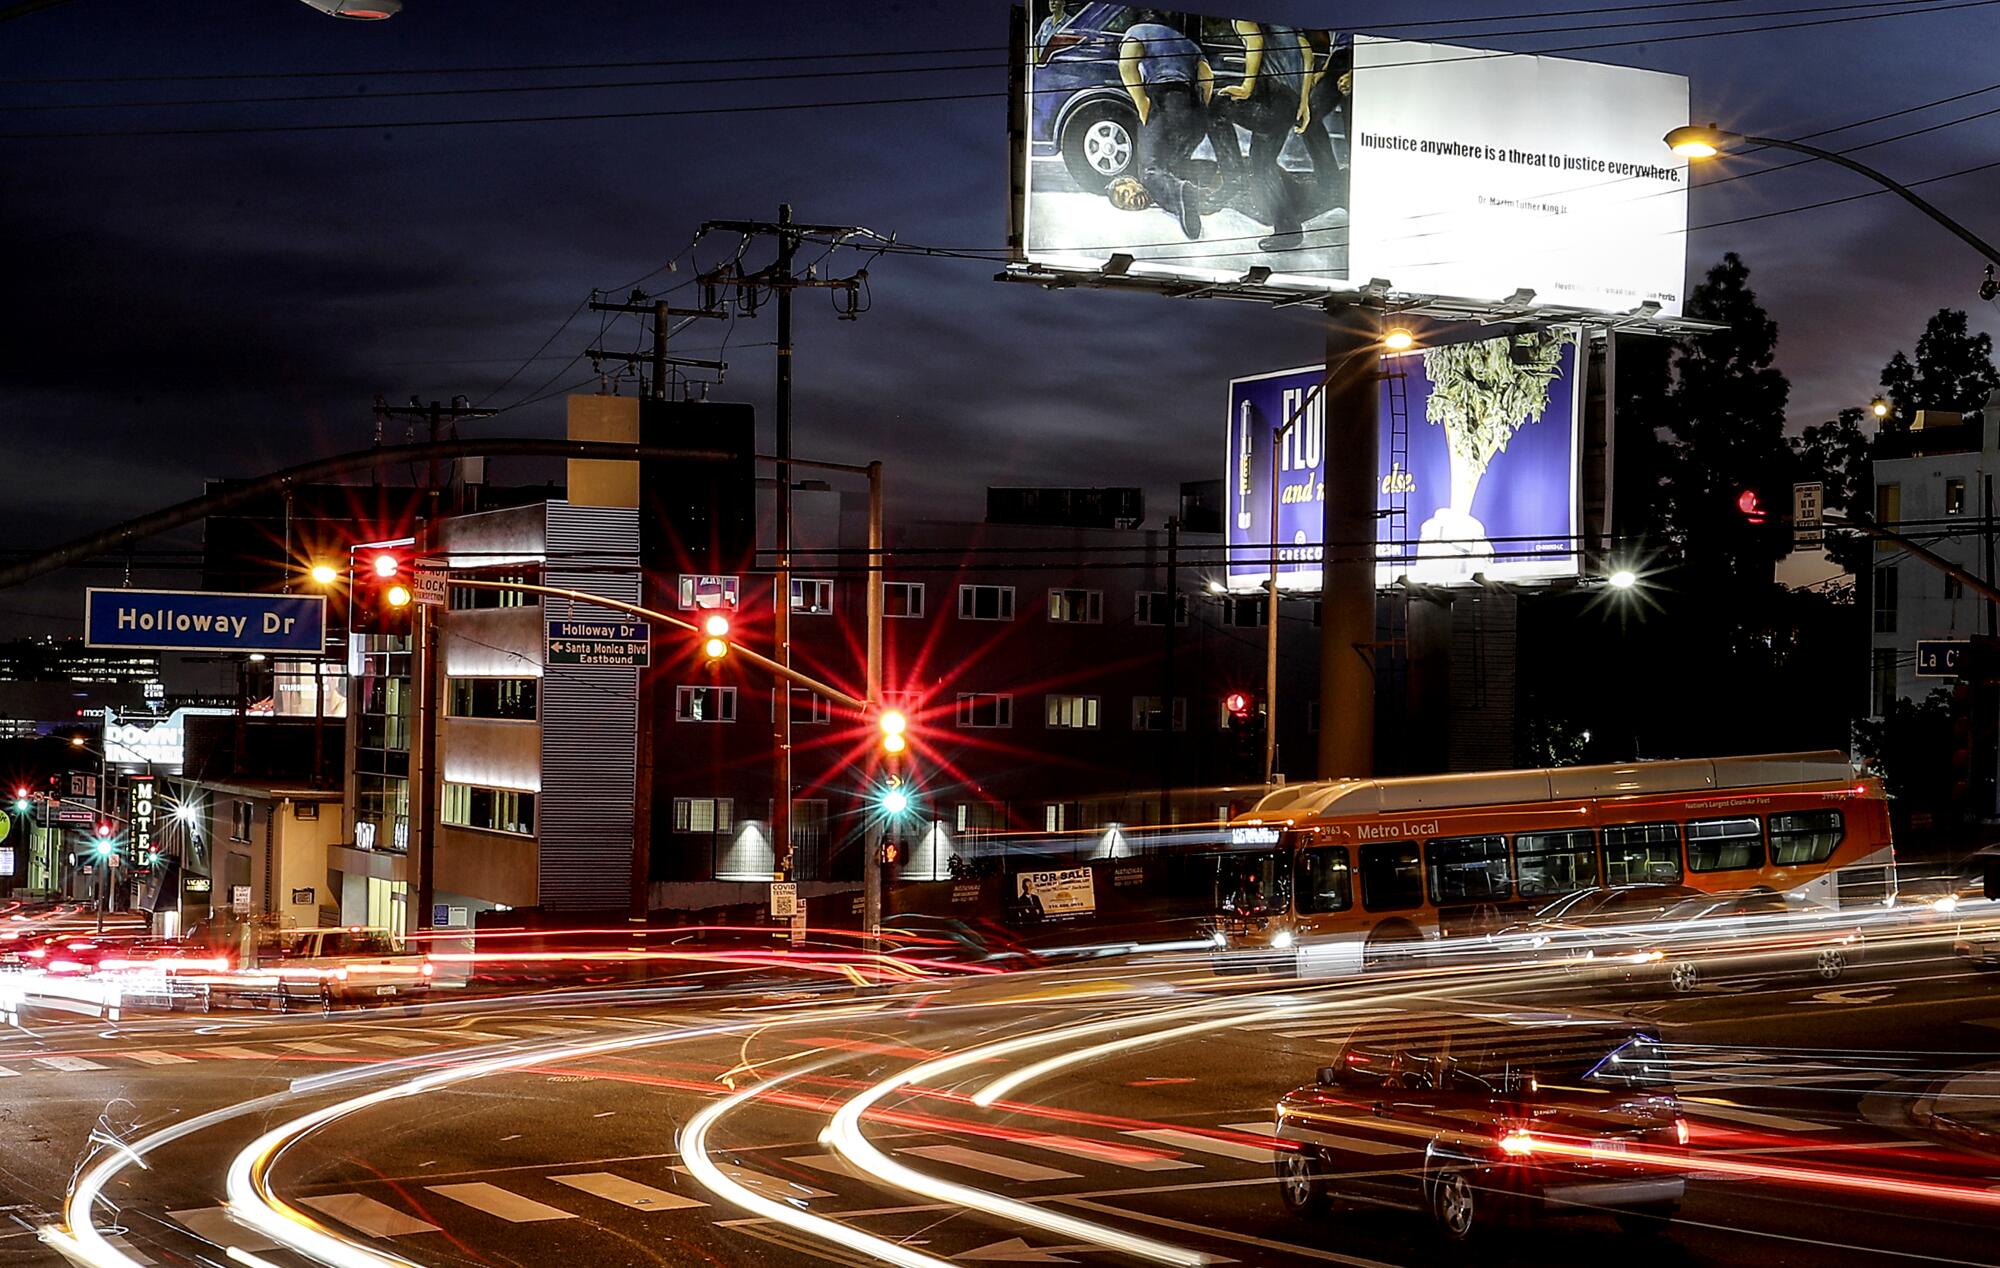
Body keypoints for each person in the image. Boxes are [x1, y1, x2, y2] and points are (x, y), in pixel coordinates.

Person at [1216, 20, 1338, 253]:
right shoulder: (1286, 22)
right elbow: (1308, 55)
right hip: (1288, 100)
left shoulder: (1241, 12)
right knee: (1263, 163)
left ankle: (1233, 177)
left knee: (1216, 108)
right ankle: (1288, 228)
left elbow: (1256, 41)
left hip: (1272, 95)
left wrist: (1246, 88)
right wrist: (1303, 103)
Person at [1117, 18, 1216, 241]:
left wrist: (1141, 100)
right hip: (1192, 107)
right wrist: (1200, 111)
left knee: (1151, 171)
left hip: (1163, 98)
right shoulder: (1189, 44)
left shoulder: (1137, 31)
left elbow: (1126, 64)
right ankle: (1201, 190)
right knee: (1173, 164)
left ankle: (1181, 196)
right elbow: (1207, 78)